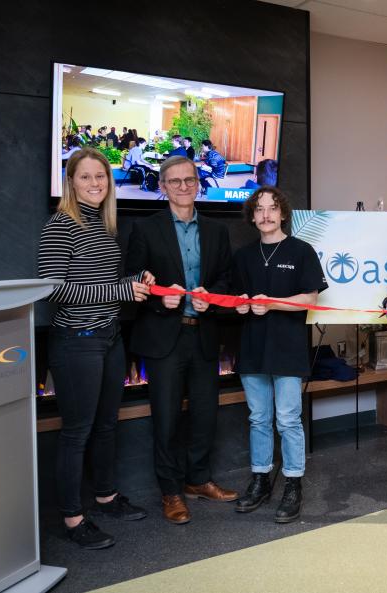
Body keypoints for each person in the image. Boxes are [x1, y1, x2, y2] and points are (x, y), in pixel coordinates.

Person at [37, 147, 152, 549]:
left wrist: (135, 278)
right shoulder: (61, 225)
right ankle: (72, 518)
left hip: (109, 338)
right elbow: (53, 290)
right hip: (76, 344)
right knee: (77, 433)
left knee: (106, 426)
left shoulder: (104, 225)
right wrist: (120, 289)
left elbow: (104, 281)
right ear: (71, 182)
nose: (94, 184)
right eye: (85, 177)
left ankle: (105, 497)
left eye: (101, 177)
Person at [126, 156, 239, 525]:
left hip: (203, 335)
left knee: (206, 415)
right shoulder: (145, 229)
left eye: (189, 180)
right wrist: (160, 299)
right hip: (164, 338)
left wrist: (213, 295)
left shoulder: (217, 230)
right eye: (174, 181)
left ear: (198, 183)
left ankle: (198, 480)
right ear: (162, 186)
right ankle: (171, 491)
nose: (183, 187)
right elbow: (134, 278)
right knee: (167, 420)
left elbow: (226, 280)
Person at [232, 186, 328, 523]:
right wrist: (243, 304)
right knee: (258, 418)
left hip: (287, 348)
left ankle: (292, 483)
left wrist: (268, 304)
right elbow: (233, 301)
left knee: (288, 420)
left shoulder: (301, 251)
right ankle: (260, 479)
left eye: (273, 208)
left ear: (283, 213)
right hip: (251, 348)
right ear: (252, 216)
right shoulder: (243, 256)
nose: (266, 214)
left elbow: (310, 299)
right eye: (259, 209)